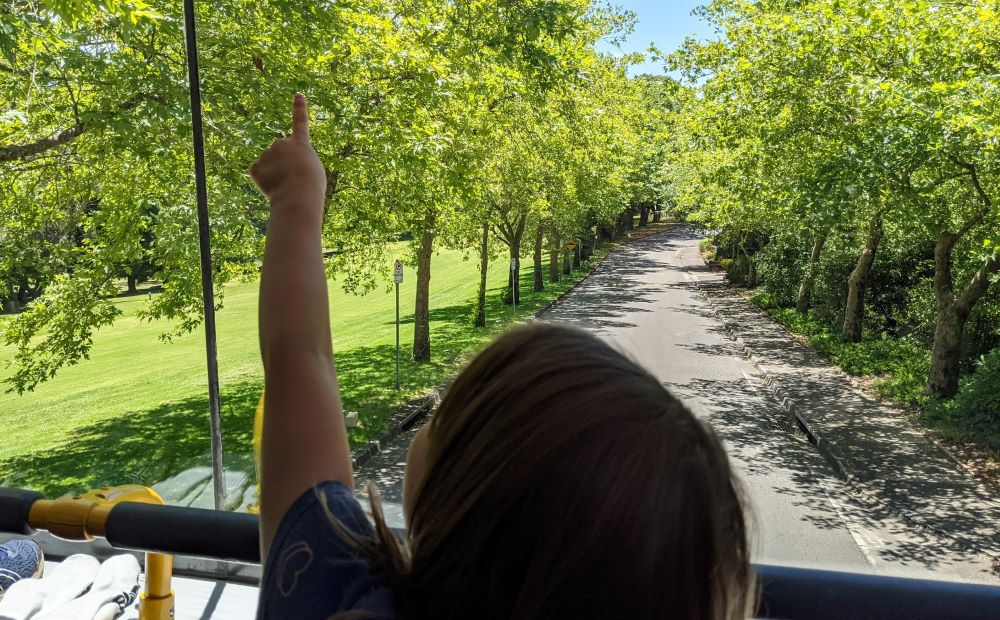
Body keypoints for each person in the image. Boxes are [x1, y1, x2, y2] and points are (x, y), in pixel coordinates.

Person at [252, 95, 755, 619]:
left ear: (465, 497)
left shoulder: (341, 594)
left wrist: (296, 198)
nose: (438, 408)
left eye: (449, 413)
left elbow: (299, 359)